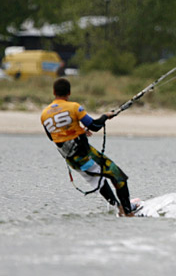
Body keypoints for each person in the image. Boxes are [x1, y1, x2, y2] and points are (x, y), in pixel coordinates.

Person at [41, 78, 139, 216]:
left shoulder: (44, 114)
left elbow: (53, 136)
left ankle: (119, 208)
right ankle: (128, 213)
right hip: (85, 155)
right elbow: (94, 126)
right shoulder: (74, 107)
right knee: (118, 176)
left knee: (98, 180)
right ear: (69, 93)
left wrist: (79, 130)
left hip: (72, 161)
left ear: (53, 92)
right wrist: (105, 116)